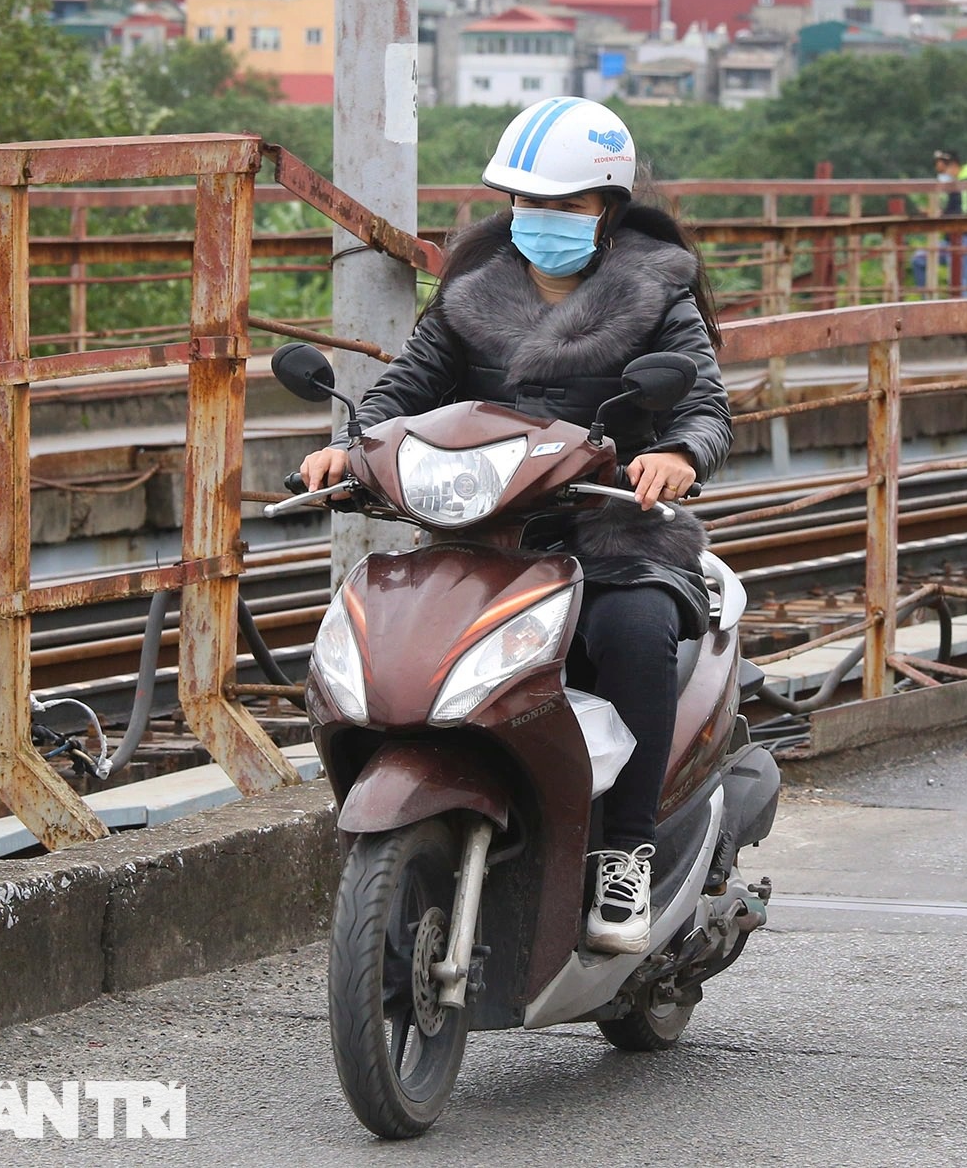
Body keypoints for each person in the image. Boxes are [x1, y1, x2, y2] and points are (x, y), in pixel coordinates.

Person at [297, 96, 731, 955]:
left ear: (607, 208)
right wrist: (350, 446)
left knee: (636, 631)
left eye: (564, 205)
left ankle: (624, 851)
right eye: (526, 202)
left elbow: (707, 406)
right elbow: (401, 392)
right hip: (486, 527)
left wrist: (677, 455)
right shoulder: (472, 293)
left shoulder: (655, 291)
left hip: (615, 530)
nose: (541, 221)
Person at [910, 150, 967, 296]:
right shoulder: (955, 185)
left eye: (944, 169)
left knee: (959, 284)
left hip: (964, 240)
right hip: (950, 241)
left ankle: (965, 316)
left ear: (953, 166)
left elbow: (965, 212)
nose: (943, 175)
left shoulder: (965, 182)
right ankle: (928, 305)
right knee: (919, 260)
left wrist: (942, 216)